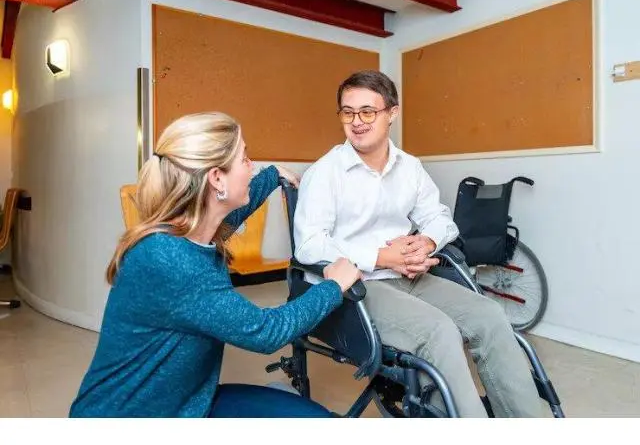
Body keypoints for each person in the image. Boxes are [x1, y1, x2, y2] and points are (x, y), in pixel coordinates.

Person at [69, 111, 361, 418]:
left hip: (189, 403)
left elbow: (233, 213)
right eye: (244, 158)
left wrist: (272, 175)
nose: (251, 166)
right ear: (217, 178)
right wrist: (333, 286)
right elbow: (266, 332)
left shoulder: (189, 229)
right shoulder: (171, 260)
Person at [293, 70, 543, 418]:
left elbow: (440, 218)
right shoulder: (325, 172)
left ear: (391, 113)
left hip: (409, 276)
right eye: (348, 113)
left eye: (368, 111)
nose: (357, 122)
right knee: (438, 331)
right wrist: (383, 257)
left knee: (490, 316)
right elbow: (308, 245)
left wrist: (425, 241)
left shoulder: (409, 167)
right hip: (355, 287)